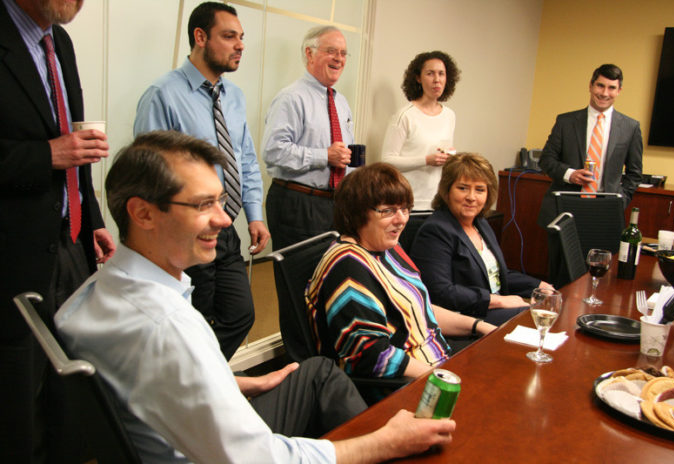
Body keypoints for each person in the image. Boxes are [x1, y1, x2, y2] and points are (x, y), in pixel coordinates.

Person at [55, 130, 455, 463]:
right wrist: (385, 442)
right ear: (142, 214)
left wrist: (233, 381)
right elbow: (259, 458)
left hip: (177, 434)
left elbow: (146, 381)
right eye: (203, 204)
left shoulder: (93, 292)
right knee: (379, 439)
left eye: (220, 200)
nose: (225, 219)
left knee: (316, 372)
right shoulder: (168, 327)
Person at [0, 0, 116, 461]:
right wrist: (45, 156)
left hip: (69, 243)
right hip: (12, 259)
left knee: (67, 391)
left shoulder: (59, 41)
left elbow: (75, 144)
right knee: (17, 408)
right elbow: (58, 149)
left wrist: (90, 219)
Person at [134, 2, 269, 359]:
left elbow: (246, 159)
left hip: (224, 227)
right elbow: (147, 175)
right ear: (200, 37)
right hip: (184, 229)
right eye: (229, 36)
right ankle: (187, 389)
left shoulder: (235, 97)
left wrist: (254, 214)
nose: (240, 45)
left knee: (240, 314)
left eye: (242, 38)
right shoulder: (163, 95)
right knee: (194, 320)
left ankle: (201, 376)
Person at [306, 163, 496, 381]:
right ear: (356, 214)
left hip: (439, 360)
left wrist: (479, 326)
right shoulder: (349, 267)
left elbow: (419, 309)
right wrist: (444, 379)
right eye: (388, 211)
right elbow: (370, 354)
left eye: (405, 209)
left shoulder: (388, 248)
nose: (402, 219)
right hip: (406, 385)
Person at [411, 153, 553, 325]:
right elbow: (440, 292)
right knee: (539, 318)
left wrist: (539, 285)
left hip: (494, 308)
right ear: (446, 190)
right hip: (467, 317)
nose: (471, 197)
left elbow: (497, 274)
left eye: (479, 189)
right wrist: (498, 300)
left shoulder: (480, 223)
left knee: (553, 305)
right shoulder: (436, 230)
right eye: (463, 188)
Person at [263, 25, 355, 250]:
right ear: (309, 53)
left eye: (343, 53)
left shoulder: (341, 102)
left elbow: (344, 155)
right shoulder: (291, 98)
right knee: (299, 279)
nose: (339, 59)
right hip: (298, 203)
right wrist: (324, 156)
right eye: (332, 51)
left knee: (329, 277)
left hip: (335, 204)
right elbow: (274, 151)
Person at [536, 63, 643, 228]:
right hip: (563, 208)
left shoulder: (630, 128)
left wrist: (620, 200)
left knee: (599, 255)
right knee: (559, 255)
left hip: (604, 211)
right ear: (591, 86)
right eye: (600, 85)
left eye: (611, 88)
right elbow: (546, 160)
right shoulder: (566, 122)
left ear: (619, 91)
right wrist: (569, 174)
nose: (604, 93)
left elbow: (634, 174)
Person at [381, 50, 461, 211]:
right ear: (418, 78)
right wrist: (426, 160)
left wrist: (450, 156)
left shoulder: (449, 115)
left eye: (441, 74)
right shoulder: (405, 115)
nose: (437, 80)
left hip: (438, 202)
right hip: (407, 203)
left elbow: (446, 150)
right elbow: (387, 161)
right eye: (430, 74)